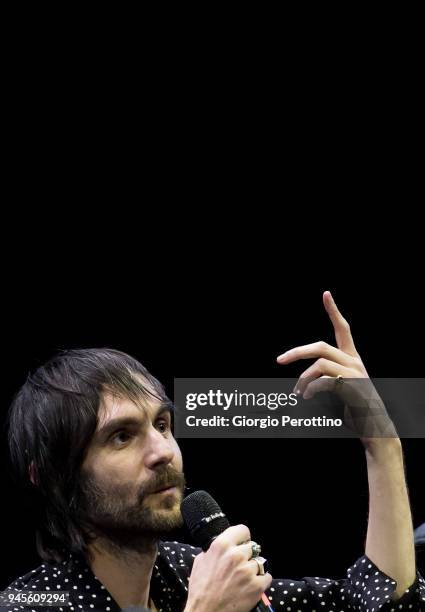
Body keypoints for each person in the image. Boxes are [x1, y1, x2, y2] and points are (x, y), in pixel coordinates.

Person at [3, 292, 424, 611]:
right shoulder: (32, 603)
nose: (161, 452)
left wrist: (382, 442)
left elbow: (369, 601)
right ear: (54, 475)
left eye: (163, 425)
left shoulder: (186, 571)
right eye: (121, 436)